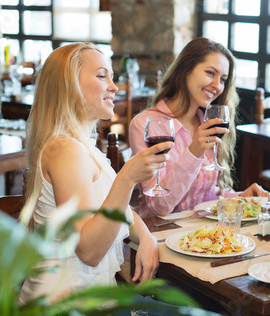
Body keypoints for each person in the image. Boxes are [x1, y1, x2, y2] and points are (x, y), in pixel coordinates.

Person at [18, 43, 169, 304]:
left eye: (112, 76)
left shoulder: (83, 146)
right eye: (102, 76)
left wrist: (145, 236)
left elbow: (109, 204)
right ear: (69, 85)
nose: (114, 86)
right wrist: (127, 178)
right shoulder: (66, 149)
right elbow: (89, 251)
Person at [129, 37, 268, 217]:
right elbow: (158, 207)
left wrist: (242, 197)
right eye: (210, 73)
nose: (217, 86)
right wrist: (193, 152)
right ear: (185, 69)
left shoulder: (208, 124)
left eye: (223, 79)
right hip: (160, 234)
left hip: (203, 236)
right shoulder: (145, 124)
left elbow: (207, 197)